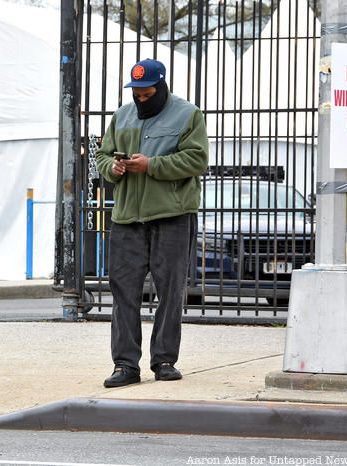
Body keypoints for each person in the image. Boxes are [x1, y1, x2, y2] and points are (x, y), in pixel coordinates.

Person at [95, 58, 209, 387]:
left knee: (170, 290)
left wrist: (151, 165)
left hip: (171, 215)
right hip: (128, 217)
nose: (141, 100)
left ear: (161, 87)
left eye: (147, 94)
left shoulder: (188, 114)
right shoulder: (122, 115)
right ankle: (125, 365)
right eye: (137, 95)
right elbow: (103, 154)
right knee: (124, 292)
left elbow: (197, 158)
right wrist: (111, 168)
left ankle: (164, 360)